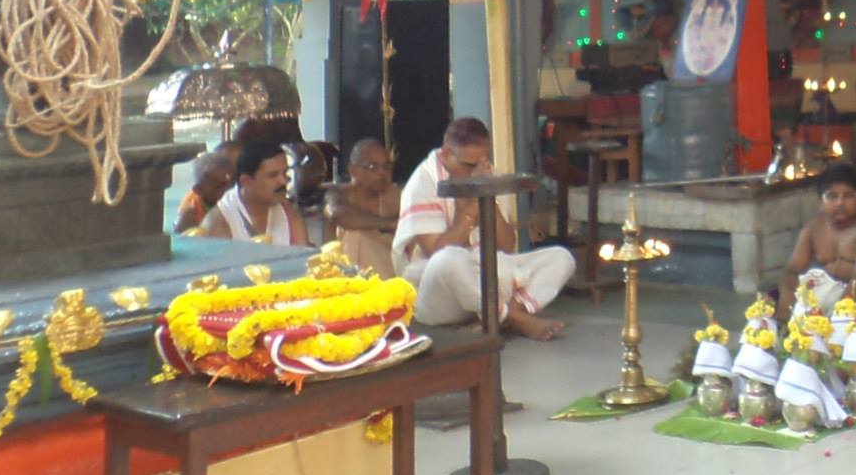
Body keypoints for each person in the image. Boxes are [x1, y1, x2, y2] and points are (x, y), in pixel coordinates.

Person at [393, 116, 576, 340]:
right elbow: (436, 252)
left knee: (561, 257)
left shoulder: (482, 172)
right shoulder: (423, 183)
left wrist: (486, 195)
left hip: (485, 277)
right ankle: (515, 319)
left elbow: (506, 247)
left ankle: (500, 316)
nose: (477, 172)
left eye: (483, 162)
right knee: (447, 259)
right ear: (446, 155)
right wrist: (469, 212)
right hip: (439, 294)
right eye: (470, 165)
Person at [779, 161, 856, 323]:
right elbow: (792, 269)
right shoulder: (813, 227)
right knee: (770, 301)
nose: (840, 203)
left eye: (848, 196)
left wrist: (837, 312)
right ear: (821, 202)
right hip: (827, 291)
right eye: (832, 196)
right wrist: (787, 298)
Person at [199, 141, 308, 246]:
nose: (284, 181)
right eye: (273, 175)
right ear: (246, 181)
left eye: (285, 173)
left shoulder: (289, 212)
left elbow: (303, 257)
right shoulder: (218, 223)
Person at [325, 138, 400, 274]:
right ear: (353, 171)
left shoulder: (396, 195)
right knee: (356, 235)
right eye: (373, 167)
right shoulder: (338, 194)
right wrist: (390, 224)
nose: (382, 173)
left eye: (386, 166)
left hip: (392, 269)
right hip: (341, 272)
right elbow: (337, 214)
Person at [175, 148, 237, 234]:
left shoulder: (240, 198)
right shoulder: (191, 214)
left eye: (233, 183)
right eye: (220, 186)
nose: (229, 189)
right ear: (199, 190)